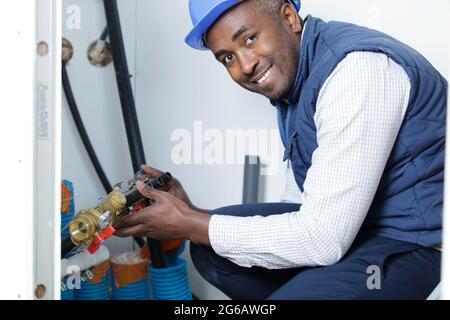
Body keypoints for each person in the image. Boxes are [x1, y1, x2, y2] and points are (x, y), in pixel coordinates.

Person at [115, 0, 446, 299]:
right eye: (227, 57)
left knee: (209, 234)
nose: (244, 65)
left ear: (289, 17)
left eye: (249, 38)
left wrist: (191, 223)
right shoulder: (296, 81)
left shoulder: (357, 71)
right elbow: (304, 207)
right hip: (358, 233)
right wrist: (191, 214)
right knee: (212, 251)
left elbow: (322, 239)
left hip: (416, 245)